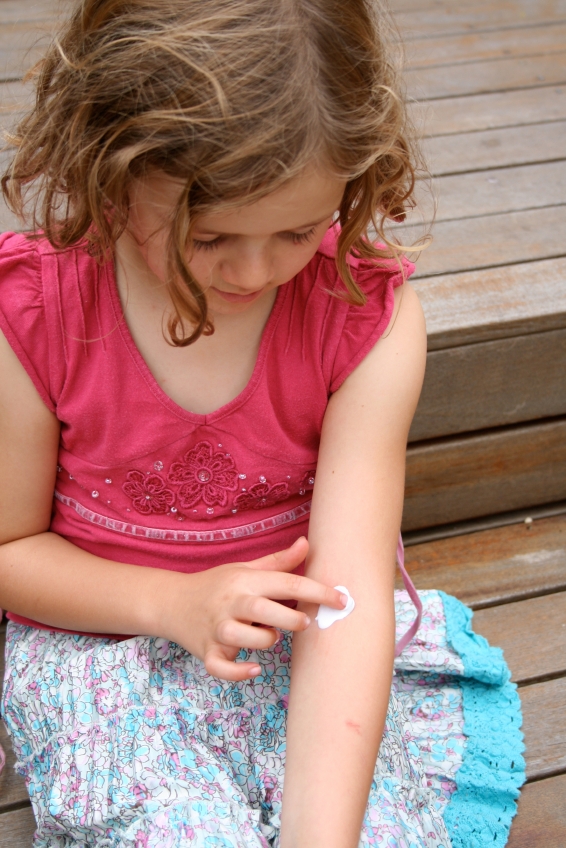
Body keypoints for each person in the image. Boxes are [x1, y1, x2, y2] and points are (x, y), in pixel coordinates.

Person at [0, 1, 525, 846]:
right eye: (209, 237)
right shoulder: (35, 315)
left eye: (294, 230)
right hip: (107, 642)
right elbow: (7, 551)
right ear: (110, 167)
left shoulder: (365, 323)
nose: (254, 270)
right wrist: (174, 602)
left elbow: (347, 598)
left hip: (303, 652)